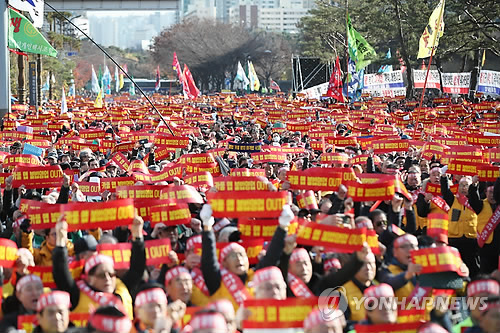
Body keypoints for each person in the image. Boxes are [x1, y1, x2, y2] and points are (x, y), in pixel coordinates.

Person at [52, 213, 146, 319]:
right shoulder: (77, 293)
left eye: (111, 274)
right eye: (101, 275)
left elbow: (137, 268)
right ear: (89, 277)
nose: (108, 279)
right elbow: (60, 273)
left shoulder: (121, 288)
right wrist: (60, 239)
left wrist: (137, 234)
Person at [200, 204, 292, 310]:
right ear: (224, 262)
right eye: (233, 256)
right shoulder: (217, 281)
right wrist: (207, 227)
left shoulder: (255, 276)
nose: (239, 259)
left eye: (242, 255)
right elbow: (208, 260)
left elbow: (271, 257)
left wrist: (283, 226)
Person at [377, 234, 422, 300]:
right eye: (405, 246)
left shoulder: (425, 269)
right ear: (395, 252)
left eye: (413, 246)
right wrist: (407, 275)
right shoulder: (386, 270)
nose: (410, 250)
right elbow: (388, 284)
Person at [341, 252, 377, 321]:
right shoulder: (342, 292)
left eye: (371, 263)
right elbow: (344, 324)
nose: (368, 268)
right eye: (363, 264)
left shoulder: (381, 288)